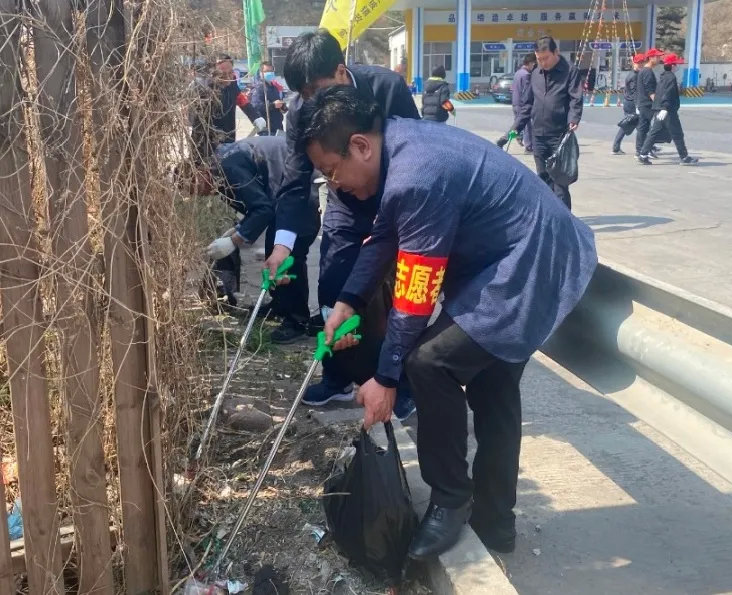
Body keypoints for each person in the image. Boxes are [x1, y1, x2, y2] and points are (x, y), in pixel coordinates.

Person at [301, 85, 597, 559]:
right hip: (512, 254)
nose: (335, 185)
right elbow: (385, 235)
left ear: (360, 146)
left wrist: (386, 377)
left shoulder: (417, 175)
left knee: (428, 362)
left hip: (529, 260)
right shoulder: (399, 145)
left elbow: (414, 297)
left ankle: (450, 500)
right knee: (493, 385)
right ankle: (496, 522)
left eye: (332, 171)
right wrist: (348, 302)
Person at [265, 29, 420, 419]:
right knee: (334, 287)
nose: (309, 101)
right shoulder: (301, 112)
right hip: (346, 203)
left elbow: (415, 149)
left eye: (314, 90)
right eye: (302, 94)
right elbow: (295, 179)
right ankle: (336, 376)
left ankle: (398, 382)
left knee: (395, 296)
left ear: (339, 71)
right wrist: (282, 245)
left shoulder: (386, 88)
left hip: (393, 203)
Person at [197, 136, 319, 340]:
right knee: (273, 249)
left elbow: (263, 209)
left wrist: (234, 241)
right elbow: (255, 204)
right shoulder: (220, 168)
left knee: (290, 256)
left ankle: (297, 320)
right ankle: (280, 305)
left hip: (299, 191)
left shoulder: (228, 168)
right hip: (281, 193)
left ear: (200, 172)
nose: (199, 194)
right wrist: (238, 230)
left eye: (195, 187)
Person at [504, 36, 582, 210]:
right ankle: (548, 217)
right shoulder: (535, 73)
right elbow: (527, 105)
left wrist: (574, 118)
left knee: (560, 184)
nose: (543, 63)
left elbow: (575, 98)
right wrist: (513, 131)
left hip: (559, 136)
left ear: (556, 52)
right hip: (538, 135)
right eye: (539, 59)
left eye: (546, 58)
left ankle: (563, 220)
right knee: (543, 181)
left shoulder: (570, 71)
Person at [637, 53, 699, 166]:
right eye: (676, 64)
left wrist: (658, 107)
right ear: (672, 66)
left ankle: (643, 155)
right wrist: (665, 108)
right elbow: (667, 93)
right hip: (668, 111)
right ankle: (684, 157)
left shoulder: (663, 76)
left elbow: (659, 93)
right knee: (678, 134)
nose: (677, 66)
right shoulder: (671, 77)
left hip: (660, 109)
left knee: (653, 133)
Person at [612, 53, 645, 155]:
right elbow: (634, 92)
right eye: (639, 63)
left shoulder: (634, 74)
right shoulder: (634, 76)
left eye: (642, 63)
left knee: (628, 124)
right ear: (635, 63)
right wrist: (637, 106)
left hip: (629, 102)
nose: (641, 65)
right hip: (632, 103)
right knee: (640, 125)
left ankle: (616, 147)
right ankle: (645, 147)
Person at [635, 48, 663, 159]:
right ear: (651, 58)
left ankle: (643, 150)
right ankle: (641, 151)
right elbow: (650, 90)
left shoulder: (645, 71)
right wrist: (658, 104)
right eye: (657, 57)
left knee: (645, 128)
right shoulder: (647, 72)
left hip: (644, 103)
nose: (659, 59)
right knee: (645, 128)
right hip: (646, 104)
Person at [250, 61, 286, 135]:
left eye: (271, 71)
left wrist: (282, 106)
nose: (270, 73)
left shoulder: (274, 87)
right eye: (267, 71)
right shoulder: (259, 87)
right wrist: (273, 105)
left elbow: (278, 102)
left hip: (278, 126)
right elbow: (256, 106)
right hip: (267, 129)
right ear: (261, 73)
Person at [511, 54, 536, 153]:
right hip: (522, 103)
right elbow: (526, 91)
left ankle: (518, 136)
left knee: (518, 123)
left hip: (515, 102)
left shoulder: (517, 73)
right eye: (534, 64)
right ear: (530, 63)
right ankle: (528, 146)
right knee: (527, 125)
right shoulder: (526, 75)